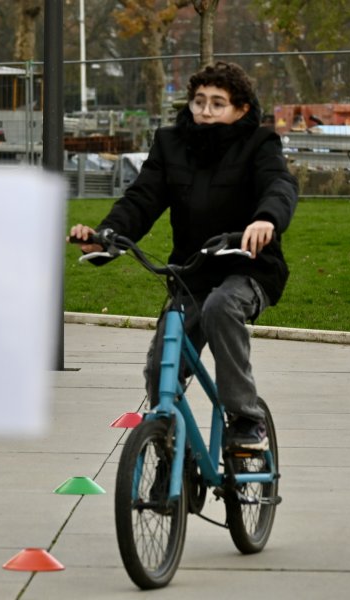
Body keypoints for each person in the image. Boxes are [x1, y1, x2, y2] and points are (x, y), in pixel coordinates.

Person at [69, 62, 298, 452]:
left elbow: (279, 185)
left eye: (217, 103)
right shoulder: (171, 143)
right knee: (162, 366)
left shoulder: (259, 144)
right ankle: (167, 451)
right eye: (199, 102)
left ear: (240, 109)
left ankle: (246, 419)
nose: (205, 111)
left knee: (221, 308)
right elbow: (142, 198)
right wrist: (106, 239)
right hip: (194, 271)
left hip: (248, 265)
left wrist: (265, 220)